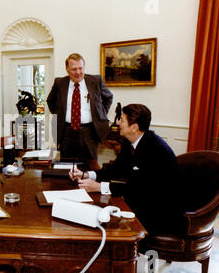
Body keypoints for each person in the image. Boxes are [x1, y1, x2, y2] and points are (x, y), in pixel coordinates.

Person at [69, 104, 180, 236]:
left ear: (134, 127)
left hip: (160, 213)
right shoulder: (130, 142)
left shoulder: (155, 149)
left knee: (102, 225)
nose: (117, 122)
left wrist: (99, 187)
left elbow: (138, 188)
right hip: (141, 202)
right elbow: (116, 169)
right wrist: (87, 175)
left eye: (121, 119)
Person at [47, 53, 113, 161]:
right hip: (66, 133)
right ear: (67, 69)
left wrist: (100, 114)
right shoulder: (60, 83)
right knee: (67, 167)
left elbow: (108, 97)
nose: (78, 72)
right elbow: (50, 101)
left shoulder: (95, 81)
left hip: (90, 133)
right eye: (74, 69)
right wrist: (59, 114)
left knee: (90, 167)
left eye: (80, 68)